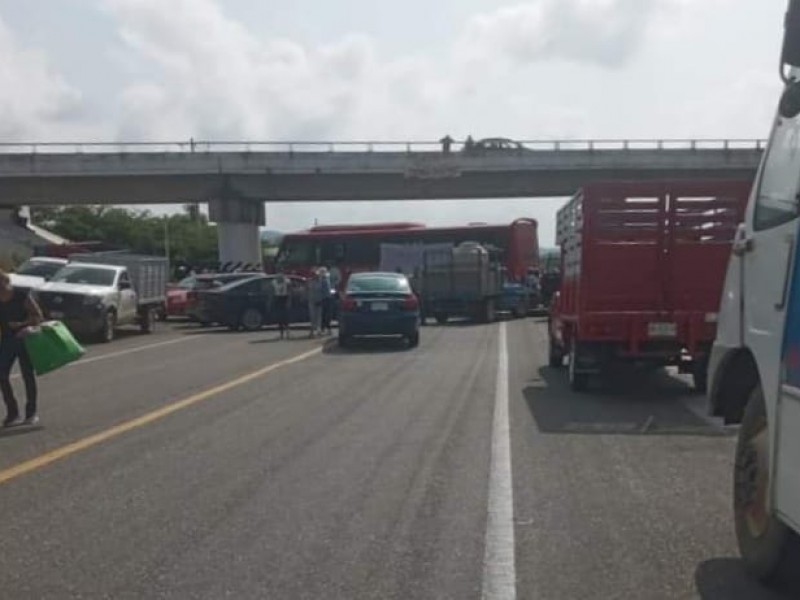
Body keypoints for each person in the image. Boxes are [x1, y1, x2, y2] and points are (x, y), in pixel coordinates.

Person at [0, 269, 43, 427]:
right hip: (7, 340)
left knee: (27, 375)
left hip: (25, 338)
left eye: (2, 285)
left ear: (6, 282)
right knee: (2, 374)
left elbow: (38, 315)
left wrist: (22, 325)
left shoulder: (21, 295)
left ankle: (31, 413)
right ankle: (13, 413)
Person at [272, 271, 291, 339]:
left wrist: (288, 300)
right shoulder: (274, 282)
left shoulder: (287, 281)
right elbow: (273, 291)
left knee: (285, 317)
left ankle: (287, 332)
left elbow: (289, 290)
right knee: (279, 318)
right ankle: (281, 334)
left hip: (284, 298)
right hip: (278, 299)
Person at [307, 269, 323, 337]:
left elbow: (322, 292)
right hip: (312, 301)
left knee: (318, 316)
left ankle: (318, 330)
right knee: (312, 316)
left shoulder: (320, 282)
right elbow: (308, 290)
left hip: (319, 301)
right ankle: (312, 331)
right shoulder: (310, 282)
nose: (315, 276)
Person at [319, 267, 334, 335]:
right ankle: (326, 329)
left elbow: (327, 290)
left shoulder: (325, 280)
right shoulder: (324, 280)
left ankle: (325, 329)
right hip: (326, 298)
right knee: (326, 315)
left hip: (326, 298)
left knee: (326, 315)